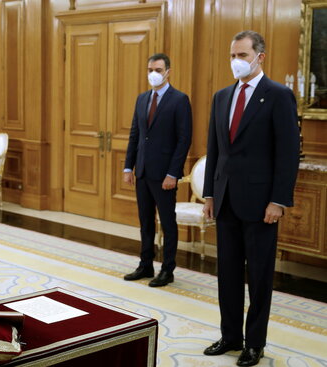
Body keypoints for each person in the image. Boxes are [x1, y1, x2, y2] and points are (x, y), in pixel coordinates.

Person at [202, 31, 300, 366]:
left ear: (260, 57)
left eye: (242, 55)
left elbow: (288, 154)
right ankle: (230, 335)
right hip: (226, 199)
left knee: (259, 276)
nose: (236, 62)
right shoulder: (221, 96)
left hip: (261, 205)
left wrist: (279, 200)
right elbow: (215, 149)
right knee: (227, 274)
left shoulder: (278, 96)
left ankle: (254, 343)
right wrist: (210, 194)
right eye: (233, 55)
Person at [123, 53, 193, 287]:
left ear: (168, 72)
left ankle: (167, 269)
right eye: (150, 69)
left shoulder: (179, 99)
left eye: (158, 69)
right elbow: (135, 135)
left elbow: (184, 140)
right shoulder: (142, 99)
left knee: (167, 222)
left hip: (165, 175)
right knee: (145, 222)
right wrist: (127, 166)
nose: (153, 73)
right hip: (142, 171)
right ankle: (145, 265)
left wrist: (173, 173)